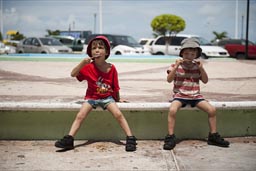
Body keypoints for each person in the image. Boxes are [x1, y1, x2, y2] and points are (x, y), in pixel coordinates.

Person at [55, 36, 137, 152]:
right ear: (90, 52)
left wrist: (117, 99)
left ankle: (130, 138)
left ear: (107, 52)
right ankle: (69, 139)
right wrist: (82, 63)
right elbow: (73, 74)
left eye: (100, 47)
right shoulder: (88, 67)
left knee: (118, 114)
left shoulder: (111, 68)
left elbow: (115, 87)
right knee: (80, 115)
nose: (97, 50)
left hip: (107, 97)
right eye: (94, 48)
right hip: (91, 97)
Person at [163, 37, 230, 150]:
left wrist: (201, 69)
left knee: (212, 110)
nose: (189, 57)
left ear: (196, 55)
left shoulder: (197, 66)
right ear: (182, 54)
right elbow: (169, 79)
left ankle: (213, 135)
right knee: (172, 110)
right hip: (180, 96)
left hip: (195, 96)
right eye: (187, 54)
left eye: (192, 54)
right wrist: (176, 67)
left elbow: (205, 80)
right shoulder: (175, 66)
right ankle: (170, 136)